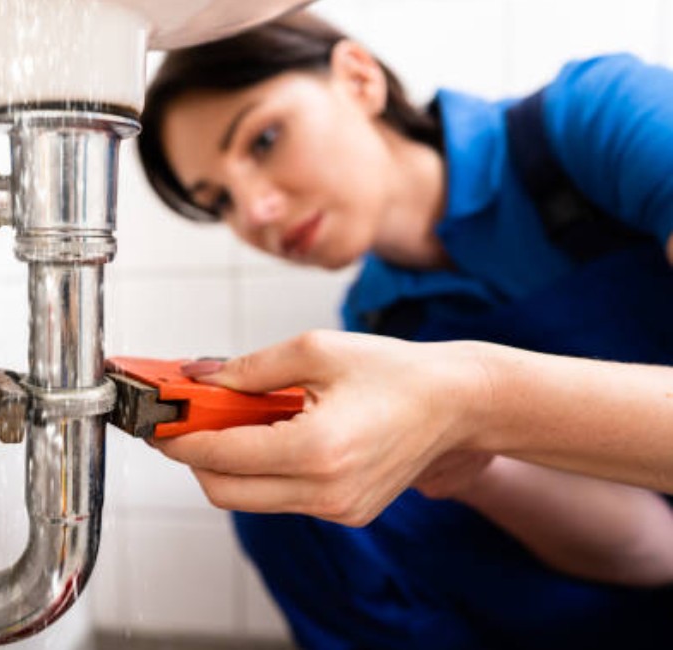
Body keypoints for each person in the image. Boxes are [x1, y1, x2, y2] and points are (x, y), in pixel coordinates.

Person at [135, 10, 673, 649]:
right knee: (298, 513)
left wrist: (476, 398)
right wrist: (473, 466)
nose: (255, 213)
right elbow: (656, 551)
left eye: (263, 139)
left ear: (358, 78)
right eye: (219, 199)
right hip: (627, 591)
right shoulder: (376, 326)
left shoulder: (601, 116)